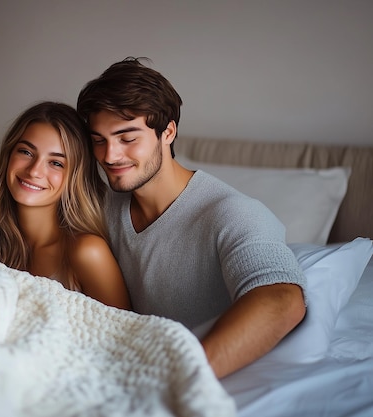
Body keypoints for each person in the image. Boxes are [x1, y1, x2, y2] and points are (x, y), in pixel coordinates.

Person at [76, 57, 307, 378]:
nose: (109, 156)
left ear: (168, 132)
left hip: (195, 379)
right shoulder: (103, 205)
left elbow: (281, 299)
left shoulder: (233, 212)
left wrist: (176, 380)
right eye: (99, 140)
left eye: (127, 138)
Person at [0, 101, 130, 310]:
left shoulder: (87, 252)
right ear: (8, 155)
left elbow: (123, 333)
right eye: (26, 152)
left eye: (56, 163)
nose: (34, 171)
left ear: (75, 178)